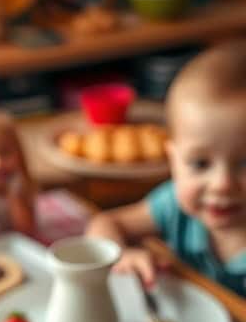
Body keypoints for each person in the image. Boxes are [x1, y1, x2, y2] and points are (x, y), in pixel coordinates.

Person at [86, 41, 246, 297]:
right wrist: (122, 255)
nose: (222, 183)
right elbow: (104, 222)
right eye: (200, 164)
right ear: (173, 160)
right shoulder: (174, 205)